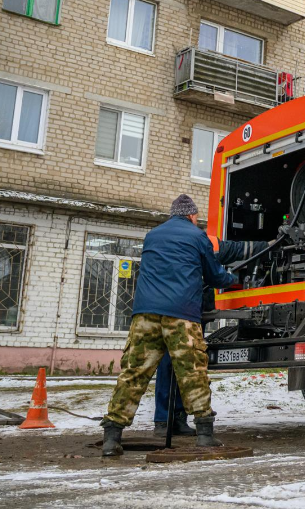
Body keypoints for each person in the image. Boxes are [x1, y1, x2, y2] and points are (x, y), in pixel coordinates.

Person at [100, 194, 239, 457]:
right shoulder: (197, 236)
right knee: (192, 372)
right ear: (192, 216)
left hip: (145, 314)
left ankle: (112, 437)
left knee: (133, 373)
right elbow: (214, 275)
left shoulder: (152, 235)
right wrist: (233, 279)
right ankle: (205, 435)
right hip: (181, 314)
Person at [153, 235, 273, 436]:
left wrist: (268, 243)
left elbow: (238, 249)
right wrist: (231, 279)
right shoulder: (198, 242)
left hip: (177, 308)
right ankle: (175, 420)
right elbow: (229, 258)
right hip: (184, 310)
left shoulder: (168, 241)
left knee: (173, 364)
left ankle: (169, 420)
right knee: (183, 364)